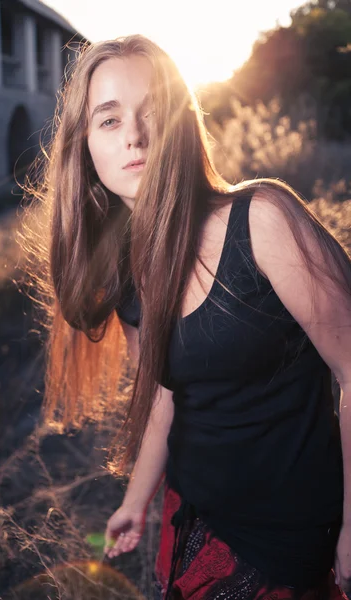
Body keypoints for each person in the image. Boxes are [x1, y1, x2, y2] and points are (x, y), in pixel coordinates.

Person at [21, 34, 351, 600]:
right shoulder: (125, 271)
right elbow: (162, 398)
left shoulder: (263, 220)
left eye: (154, 112)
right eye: (109, 120)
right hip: (195, 520)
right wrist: (136, 500)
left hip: (289, 539)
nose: (135, 136)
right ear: (85, 148)